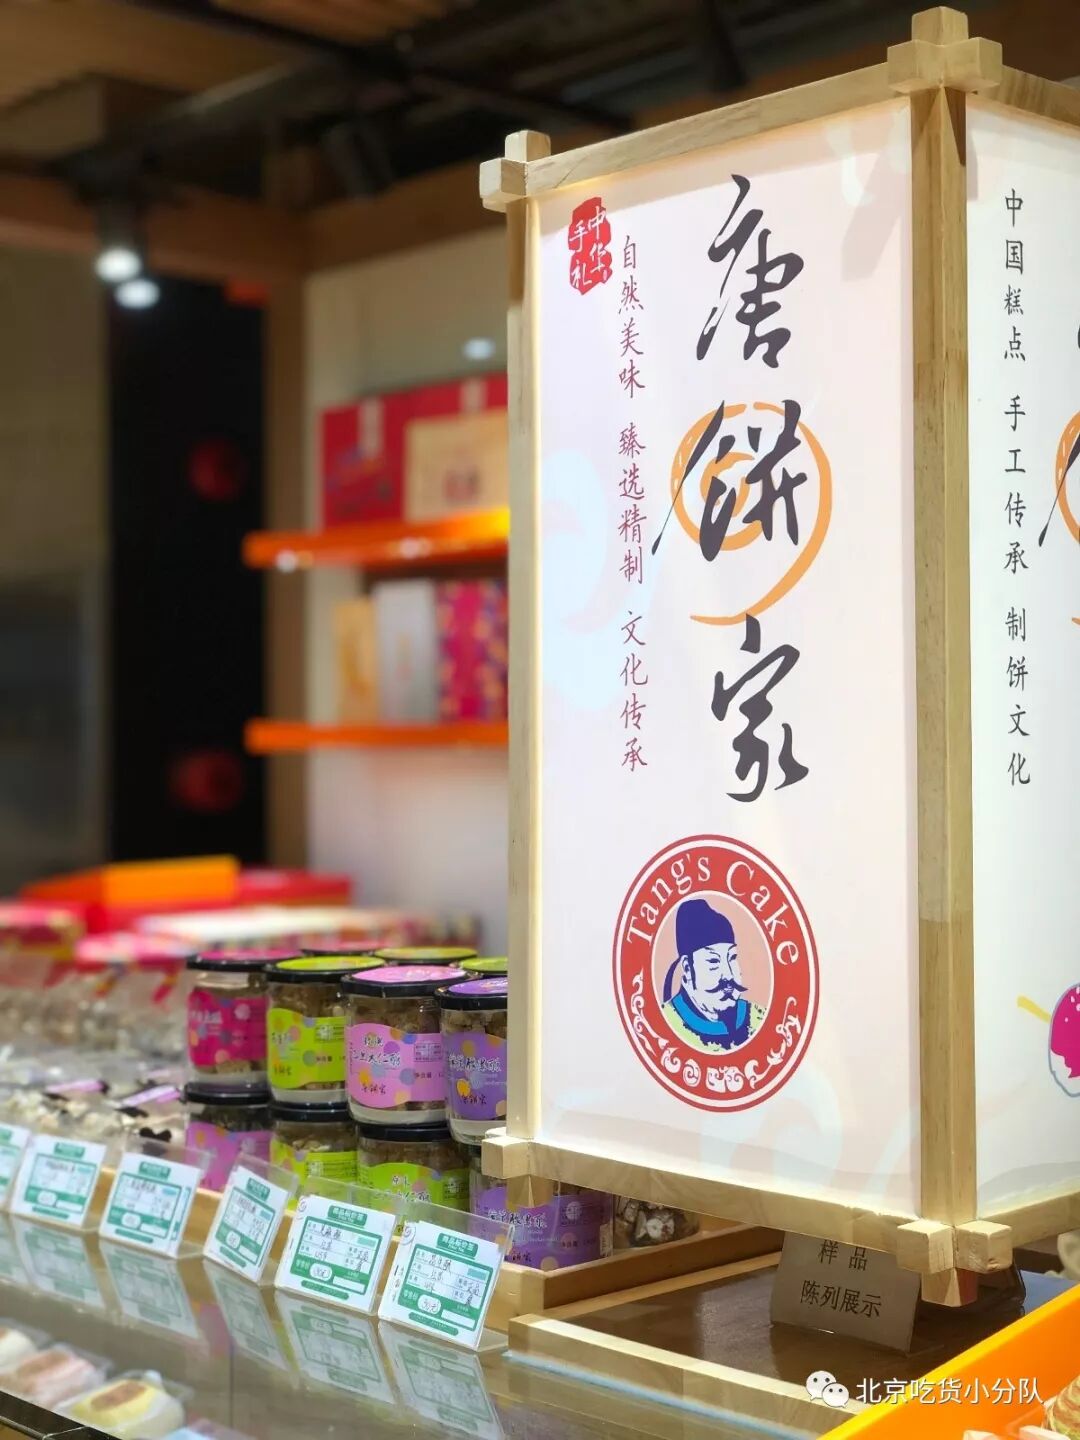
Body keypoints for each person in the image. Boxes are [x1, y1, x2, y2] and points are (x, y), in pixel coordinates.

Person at [661, 897, 764, 1052]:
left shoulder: (756, 1018)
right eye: (713, 961)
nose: (728, 975)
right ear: (687, 968)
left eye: (732, 958)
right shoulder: (666, 1022)